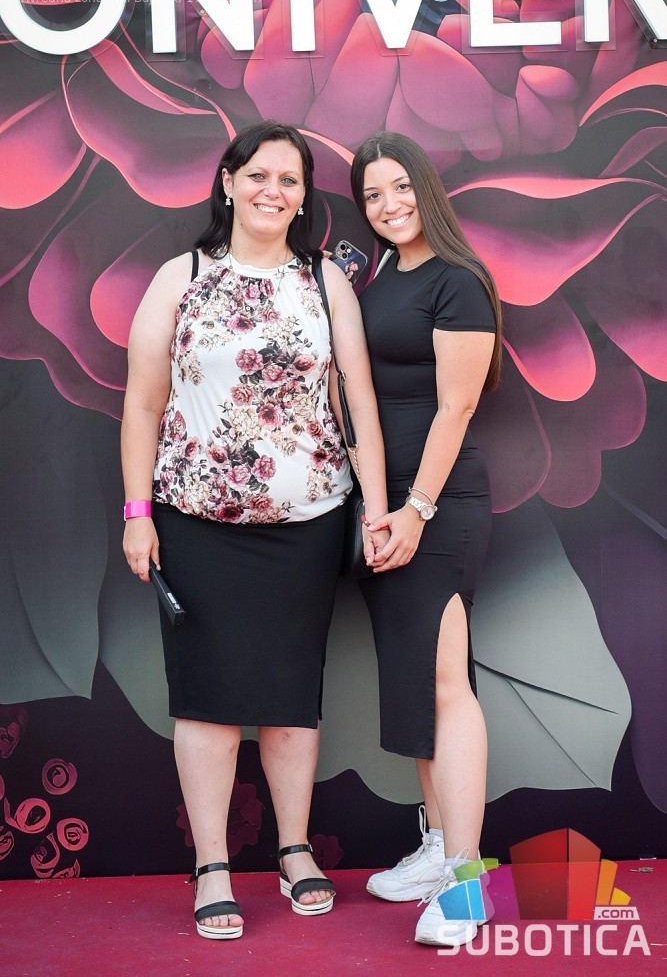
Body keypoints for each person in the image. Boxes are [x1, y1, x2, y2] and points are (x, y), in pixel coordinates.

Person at [121, 121, 390, 940]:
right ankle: (211, 865)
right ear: (228, 183)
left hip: (307, 522)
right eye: (259, 175)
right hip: (196, 522)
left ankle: (294, 851)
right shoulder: (180, 278)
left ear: (303, 197)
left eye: (290, 180)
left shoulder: (323, 282)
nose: (274, 191)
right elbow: (142, 403)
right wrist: (137, 514)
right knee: (206, 700)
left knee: (289, 697)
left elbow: (356, 401)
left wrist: (378, 506)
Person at [350, 131, 502, 947]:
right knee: (416, 680)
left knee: (445, 684)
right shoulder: (383, 281)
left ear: (426, 189)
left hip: (439, 506)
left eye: (400, 187)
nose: (389, 205)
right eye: (372, 194)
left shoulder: (456, 280)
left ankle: (468, 885)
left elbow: (457, 406)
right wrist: (380, 509)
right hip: (389, 507)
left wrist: (414, 510)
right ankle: (440, 847)